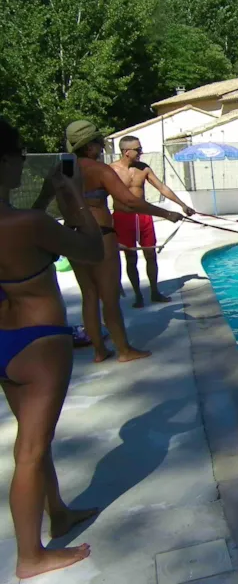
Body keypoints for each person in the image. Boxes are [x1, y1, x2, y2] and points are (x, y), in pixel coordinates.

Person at [1, 118, 102, 578]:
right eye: (19, 155)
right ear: (5, 161)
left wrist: (47, 198)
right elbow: (92, 250)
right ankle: (30, 557)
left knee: (33, 439)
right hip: (39, 340)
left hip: (4, 341)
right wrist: (72, 196)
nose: (23, 163)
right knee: (30, 450)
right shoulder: (29, 223)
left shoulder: (24, 221)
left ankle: (57, 511)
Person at [32, 120, 184, 363]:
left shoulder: (61, 169)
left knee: (89, 295)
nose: (102, 146)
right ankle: (124, 350)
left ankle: (99, 351)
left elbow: (39, 206)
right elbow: (129, 202)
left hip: (71, 235)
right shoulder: (99, 169)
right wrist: (167, 213)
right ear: (89, 146)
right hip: (100, 235)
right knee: (109, 296)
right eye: (99, 142)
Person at [110, 135, 195, 308]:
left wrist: (183, 205)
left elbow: (162, 187)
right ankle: (138, 295)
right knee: (130, 257)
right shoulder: (111, 170)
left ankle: (155, 291)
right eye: (138, 149)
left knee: (151, 254)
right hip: (123, 217)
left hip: (144, 216)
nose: (141, 152)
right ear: (126, 152)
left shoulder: (144, 169)